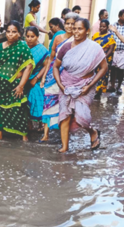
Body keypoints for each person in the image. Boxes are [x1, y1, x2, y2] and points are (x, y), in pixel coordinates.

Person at [54, 18, 108, 153]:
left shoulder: (94, 48)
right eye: (74, 28)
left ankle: (93, 132)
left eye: (80, 28)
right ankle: (65, 147)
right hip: (66, 85)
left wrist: (90, 86)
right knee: (65, 115)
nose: (76, 31)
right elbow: (55, 67)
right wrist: (60, 85)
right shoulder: (65, 47)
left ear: (87, 31)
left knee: (82, 117)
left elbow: (104, 68)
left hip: (85, 86)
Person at [0, 20, 35, 142]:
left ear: (19, 34)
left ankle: (24, 136)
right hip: (0, 85)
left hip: (15, 86)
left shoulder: (23, 47)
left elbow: (28, 66)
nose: (10, 34)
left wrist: (21, 85)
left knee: (19, 110)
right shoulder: (0, 46)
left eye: (14, 32)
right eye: (8, 32)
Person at [40, 12, 79, 142]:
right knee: (49, 101)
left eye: (73, 24)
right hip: (53, 74)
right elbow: (51, 58)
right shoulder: (58, 38)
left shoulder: (79, 40)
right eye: (67, 23)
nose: (69, 26)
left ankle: (64, 134)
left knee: (66, 104)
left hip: (69, 75)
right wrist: (44, 76)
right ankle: (46, 134)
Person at [25, 27, 50, 130]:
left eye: (32, 36)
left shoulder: (42, 50)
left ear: (37, 37)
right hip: (23, 79)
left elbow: (46, 65)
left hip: (37, 78)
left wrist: (36, 77)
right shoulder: (23, 47)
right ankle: (28, 123)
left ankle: (41, 124)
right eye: (27, 36)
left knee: (37, 97)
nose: (30, 39)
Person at [92, 19, 116, 99]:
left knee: (103, 75)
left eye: (104, 27)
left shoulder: (110, 36)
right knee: (94, 73)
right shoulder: (95, 35)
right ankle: (93, 90)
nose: (102, 28)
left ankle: (99, 92)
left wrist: (103, 57)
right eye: (101, 26)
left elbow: (111, 49)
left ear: (107, 27)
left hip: (105, 59)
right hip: (95, 58)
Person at [108, 9, 124, 95]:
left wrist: (116, 32)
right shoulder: (113, 25)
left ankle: (119, 87)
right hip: (114, 50)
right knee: (113, 68)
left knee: (121, 70)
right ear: (119, 16)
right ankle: (112, 86)